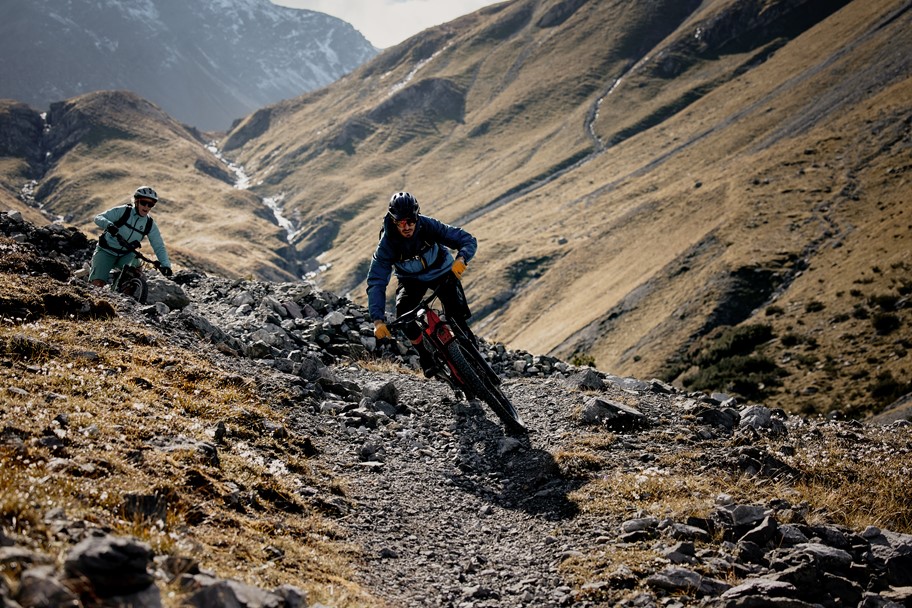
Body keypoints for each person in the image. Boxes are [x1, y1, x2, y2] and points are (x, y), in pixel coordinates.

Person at [367, 191, 477, 377]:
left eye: (410, 220)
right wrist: (377, 320)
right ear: (393, 221)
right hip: (411, 281)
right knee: (404, 317)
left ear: (417, 217)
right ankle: (425, 356)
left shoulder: (428, 225)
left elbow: (466, 239)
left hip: (442, 271)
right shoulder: (387, 244)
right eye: (401, 222)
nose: (407, 226)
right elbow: (376, 281)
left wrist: (462, 258)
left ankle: (474, 356)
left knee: (457, 316)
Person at [89, 185, 173, 288]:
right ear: (136, 201)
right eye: (143, 203)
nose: (146, 207)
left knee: (130, 280)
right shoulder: (124, 211)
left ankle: (119, 295)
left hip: (126, 254)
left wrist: (166, 265)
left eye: (150, 204)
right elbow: (98, 218)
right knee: (97, 285)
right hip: (106, 250)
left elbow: (158, 245)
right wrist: (109, 225)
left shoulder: (149, 224)